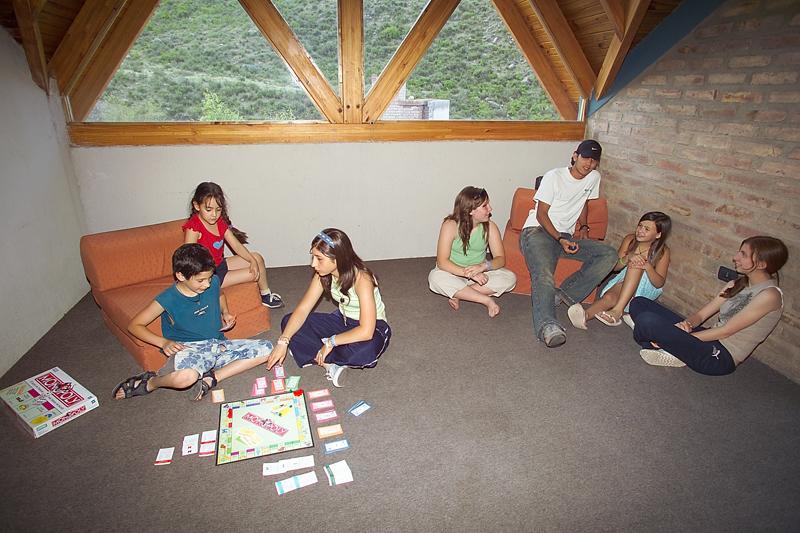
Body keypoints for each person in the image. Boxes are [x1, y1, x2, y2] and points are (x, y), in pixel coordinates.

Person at [113, 244, 273, 400]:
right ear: (181, 276)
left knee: (269, 349)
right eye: (201, 280)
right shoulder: (168, 298)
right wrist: (163, 342)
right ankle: (152, 382)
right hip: (190, 349)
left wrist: (226, 312)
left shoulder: (213, 282)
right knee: (186, 378)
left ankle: (211, 378)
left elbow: (220, 294)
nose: (207, 284)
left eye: (209, 278)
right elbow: (134, 325)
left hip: (217, 344)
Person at [630, 236, 788, 375]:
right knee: (639, 303)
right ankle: (668, 346)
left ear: (761, 264)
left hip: (720, 357)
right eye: (739, 251)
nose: (735, 257)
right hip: (707, 336)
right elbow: (702, 315)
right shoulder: (736, 284)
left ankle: (663, 344)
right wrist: (686, 325)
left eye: (743, 254)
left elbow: (725, 332)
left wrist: (679, 337)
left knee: (647, 320)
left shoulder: (770, 295)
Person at [519, 140, 618, 347]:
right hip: (538, 231)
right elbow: (541, 213)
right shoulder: (553, 176)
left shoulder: (593, 178)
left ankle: (564, 294)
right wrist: (560, 238)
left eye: (594, 161)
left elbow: (583, 203)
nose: (589, 164)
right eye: (585, 158)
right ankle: (548, 325)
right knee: (543, 274)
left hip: (566, 235)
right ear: (575, 156)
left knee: (609, 254)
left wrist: (582, 228)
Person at [266, 229, 391, 387]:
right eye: (313, 257)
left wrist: (331, 342)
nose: (313, 264)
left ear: (338, 259)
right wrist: (283, 342)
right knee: (288, 321)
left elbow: (366, 331)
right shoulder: (322, 275)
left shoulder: (362, 279)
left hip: (373, 327)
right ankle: (329, 364)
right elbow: (303, 309)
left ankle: (318, 350)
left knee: (366, 351)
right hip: (342, 320)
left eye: (319, 259)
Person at [183, 181, 284, 308]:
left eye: (218, 210)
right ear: (197, 206)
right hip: (209, 274)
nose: (214, 215)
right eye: (208, 209)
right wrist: (200, 281)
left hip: (219, 263)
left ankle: (265, 295)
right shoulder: (193, 228)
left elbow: (236, 245)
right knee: (253, 274)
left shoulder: (219, 222)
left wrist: (252, 260)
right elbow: (188, 257)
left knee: (257, 258)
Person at [568, 211, 671, 329]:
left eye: (647, 229)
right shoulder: (630, 240)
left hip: (646, 290)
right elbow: (615, 267)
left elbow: (659, 283)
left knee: (636, 264)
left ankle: (617, 311)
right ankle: (585, 316)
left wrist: (647, 266)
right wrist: (627, 257)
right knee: (609, 297)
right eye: (640, 226)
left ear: (658, 235)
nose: (640, 230)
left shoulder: (663, 251)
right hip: (624, 280)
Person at [428, 186, 516, 317]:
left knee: (510, 278)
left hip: (479, 273)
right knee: (434, 278)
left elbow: (500, 259)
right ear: (470, 211)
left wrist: (483, 267)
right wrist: (469, 274)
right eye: (485, 206)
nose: (490, 209)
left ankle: (460, 294)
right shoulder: (450, 225)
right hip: (453, 272)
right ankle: (485, 299)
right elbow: (442, 262)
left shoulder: (490, 227)